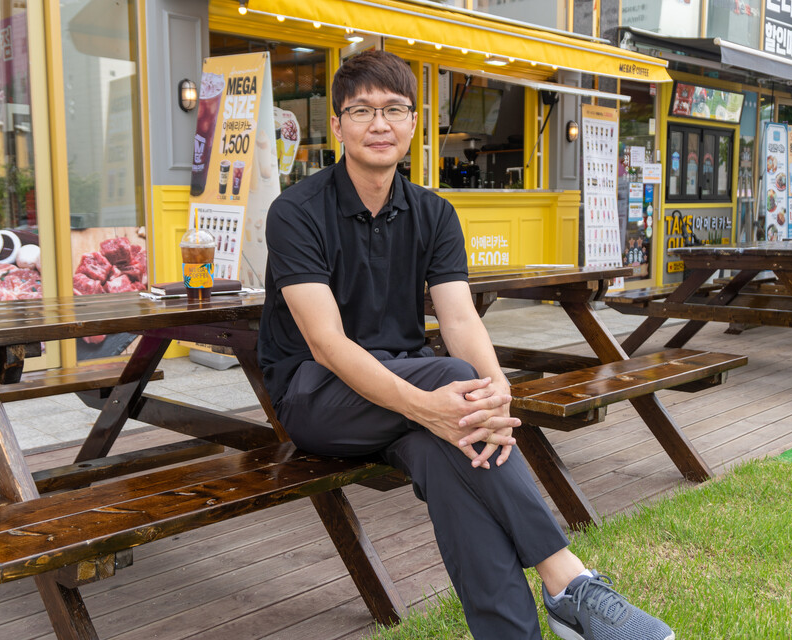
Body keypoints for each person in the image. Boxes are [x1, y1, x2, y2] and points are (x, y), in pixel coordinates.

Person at [257, 50, 674, 640]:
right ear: (339, 124)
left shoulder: (434, 212)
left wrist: (496, 386)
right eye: (363, 111)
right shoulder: (296, 212)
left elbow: (460, 317)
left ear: (413, 122)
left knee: (450, 454)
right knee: (450, 379)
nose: (380, 124)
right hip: (318, 400)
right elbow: (324, 345)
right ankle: (569, 580)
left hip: (404, 395)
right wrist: (433, 405)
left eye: (394, 109)